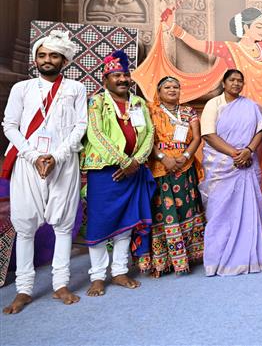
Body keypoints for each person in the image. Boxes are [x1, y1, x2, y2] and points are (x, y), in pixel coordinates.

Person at [1, 31, 86, 313]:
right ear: (35, 59)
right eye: (42, 55)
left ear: (64, 60)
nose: (47, 60)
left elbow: (80, 126)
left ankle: (60, 284)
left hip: (63, 163)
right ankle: (24, 290)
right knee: (25, 226)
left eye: (54, 55)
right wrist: (34, 156)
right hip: (28, 162)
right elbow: (10, 126)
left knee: (63, 225)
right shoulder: (22, 88)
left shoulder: (76, 88)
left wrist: (57, 157)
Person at [81, 50, 156, 296]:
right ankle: (97, 276)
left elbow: (149, 134)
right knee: (99, 222)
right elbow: (95, 133)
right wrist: (122, 160)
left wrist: (135, 161)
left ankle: (120, 271)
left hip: (133, 170)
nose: (123, 79)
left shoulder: (138, 103)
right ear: (106, 80)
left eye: (125, 75)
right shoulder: (96, 102)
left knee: (126, 223)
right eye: (116, 75)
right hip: (105, 171)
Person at [199, 69, 262, 275]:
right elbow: (208, 134)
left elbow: (261, 130)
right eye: (232, 80)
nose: (236, 84)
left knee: (249, 210)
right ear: (224, 82)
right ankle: (217, 260)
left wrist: (248, 151)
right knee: (219, 212)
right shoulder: (213, 104)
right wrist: (235, 154)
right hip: (222, 167)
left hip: (247, 164)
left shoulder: (251, 106)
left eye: (240, 81)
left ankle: (249, 259)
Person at [138, 76, 205, 276]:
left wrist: (185, 157)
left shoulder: (188, 111)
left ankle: (188, 256)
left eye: (176, 87)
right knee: (162, 212)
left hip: (185, 168)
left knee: (187, 209)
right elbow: (146, 138)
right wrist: (163, 158)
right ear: (158, 92)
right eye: (167, 87)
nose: (172, 90)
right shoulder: (149, 111)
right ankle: (162, 261)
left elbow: (197, 137)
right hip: (160, 168)